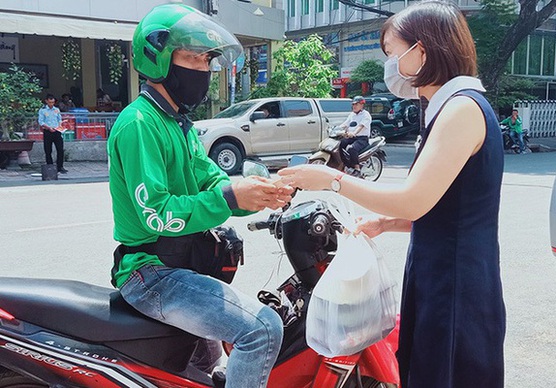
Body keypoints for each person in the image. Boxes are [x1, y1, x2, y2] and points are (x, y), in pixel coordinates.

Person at [278, 1, 505, 387]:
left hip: (454, 281)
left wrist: (330, 179)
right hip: (443, 271)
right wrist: (385, 222)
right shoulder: (447, 106)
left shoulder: (461, 109)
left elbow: (414, 199)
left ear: (423, 50)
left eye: (392, 53)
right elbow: (447, 205)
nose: (390, 65)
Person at [107, 4, 291, 387]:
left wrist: (256, 191)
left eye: (207, 60)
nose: (202, 69)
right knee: (263, 329)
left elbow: (212, 180)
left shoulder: (179, 123)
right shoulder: (140, 124)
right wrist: (228, 199)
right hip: (151, 273)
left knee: (207, 371)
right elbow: (156, 214)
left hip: (182, 265)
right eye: (191, 57)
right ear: (156, 58)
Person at [337, 96, 372, 177]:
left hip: (362, 138)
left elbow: (361, 126)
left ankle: (357, 169)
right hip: (351, 137)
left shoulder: (366, 115)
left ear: (362, 105)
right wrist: (336, 129)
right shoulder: (352, 115)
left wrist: (354, 133)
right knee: (339, 144)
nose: (354, 106)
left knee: (351, 148)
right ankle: (345, 165)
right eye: (353, 104)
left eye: (356, 104)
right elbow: (345, 124)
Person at [38, 94, 67, 174]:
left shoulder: (56, 110)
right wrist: (48, 128)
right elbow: (41, 122)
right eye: (50, 102)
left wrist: (61, 124)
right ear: (46, 101)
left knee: (60, 149)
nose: (51, 104)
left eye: (53, 102)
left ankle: (60, 166)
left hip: (57, 131)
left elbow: (59, 119)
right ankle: (50, 166)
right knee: (48, 150)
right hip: (48, 131)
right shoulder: (43, 110)